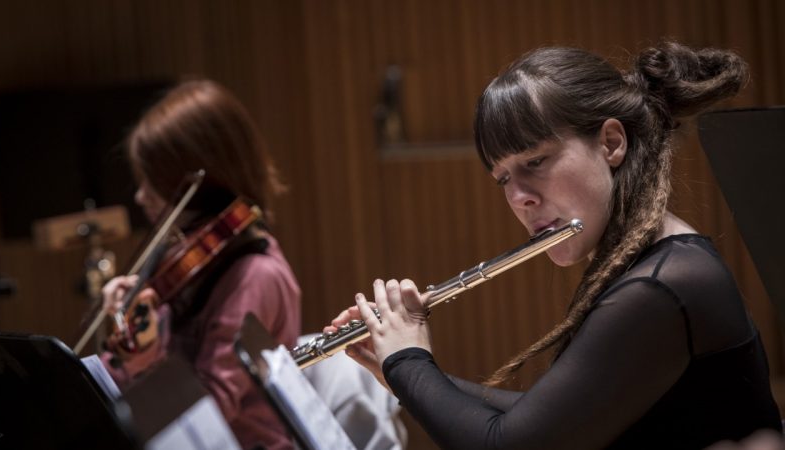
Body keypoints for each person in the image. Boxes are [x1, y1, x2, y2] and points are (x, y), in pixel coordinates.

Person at [329, 42, 783, 449]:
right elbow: (547, 418)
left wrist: (409, 361)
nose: (518, 196)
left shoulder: (662, 287)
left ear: (610, 142)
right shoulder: (655, 264)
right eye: (504, 177)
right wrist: (400, 373)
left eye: (536, 160)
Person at [99, 79, 301, 449]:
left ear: (200, 179)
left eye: (153, 181)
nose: (141, 196)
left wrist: (143, 362)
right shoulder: (186, 265)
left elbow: (210, 409)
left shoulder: (255, 275)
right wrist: (123, 332)